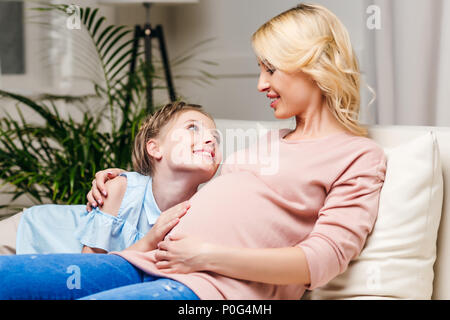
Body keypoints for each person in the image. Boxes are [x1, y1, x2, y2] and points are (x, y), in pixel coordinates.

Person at [0, 3, 386, 300]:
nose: (260, 84)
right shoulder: (269, 142)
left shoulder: (358, 155)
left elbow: (319, 262)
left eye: (270, 69)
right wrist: (120, 185)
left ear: (313, 66)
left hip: (212, 291)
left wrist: (205, 256)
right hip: (147, 261)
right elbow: (188, 191)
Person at [0, 101, 221, 255]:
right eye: (192, 127)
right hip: (31, 233)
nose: (210, 140)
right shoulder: (121, 189)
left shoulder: (200, 213)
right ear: (155, 148)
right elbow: (89, 269)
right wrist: (149, 242)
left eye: (215, 137)